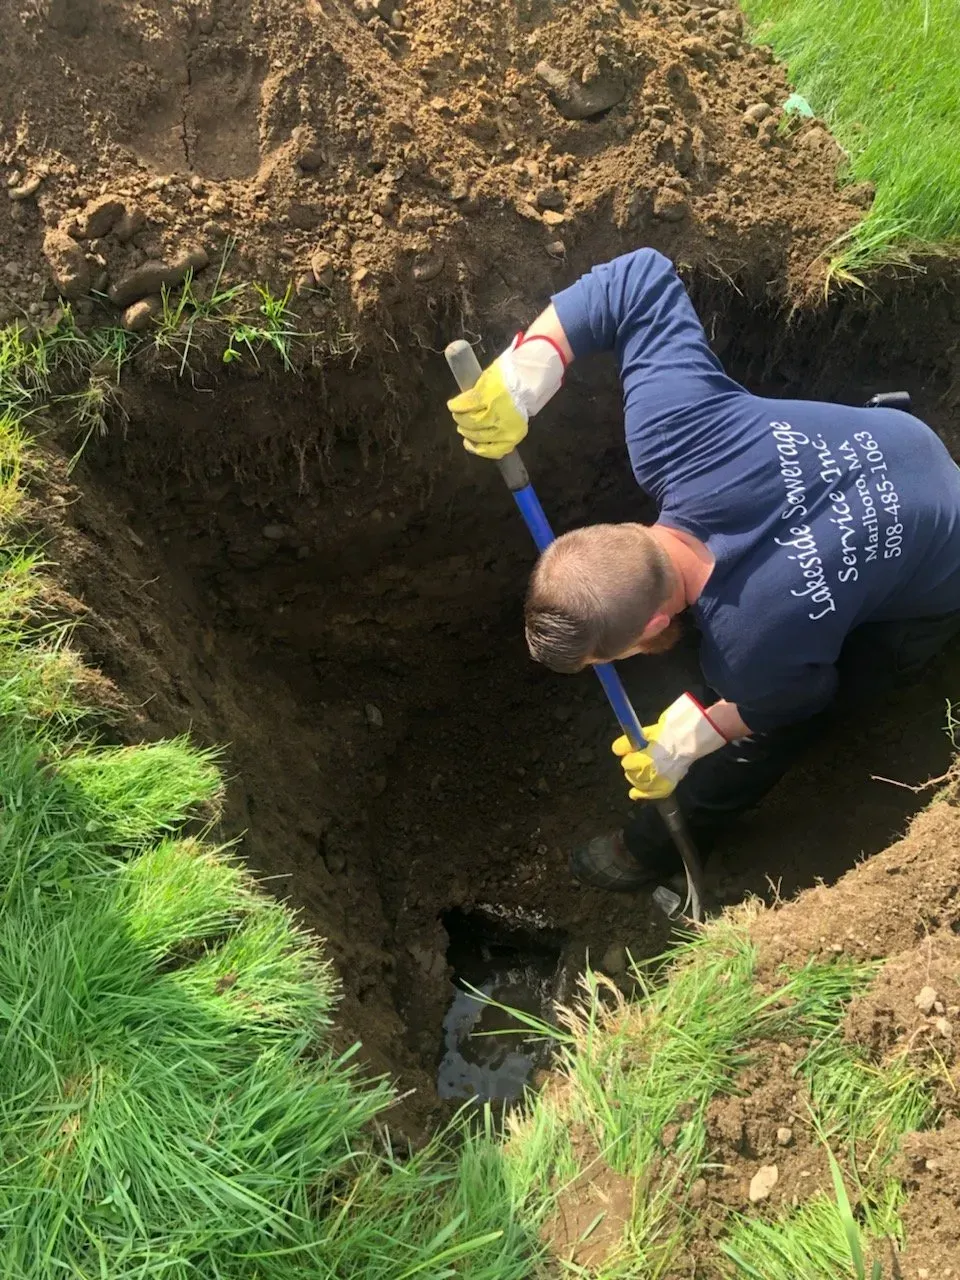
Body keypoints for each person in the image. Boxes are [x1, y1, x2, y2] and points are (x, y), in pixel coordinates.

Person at [447, 248, 960, 891]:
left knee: (798, 716)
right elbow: (637, 281)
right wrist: (529, 368)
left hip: (941, 570)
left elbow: (801, 694)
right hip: (901, 443)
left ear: (658, 620)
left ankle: (649, 854)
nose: (622, 662)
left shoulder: (748, 653)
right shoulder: (676, 436)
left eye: (618, 655)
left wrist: (697, 734)